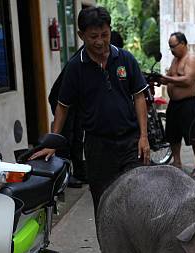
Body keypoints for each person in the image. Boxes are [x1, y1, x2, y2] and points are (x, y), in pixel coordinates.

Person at [31, 7, 150, 212]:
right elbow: (62, 106)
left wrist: (144, 136)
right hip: (98, 147)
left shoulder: (125, 59)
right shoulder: (75, 67)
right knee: (104, 204)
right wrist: (54, 142)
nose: (100, 41)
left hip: (130, 142)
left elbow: (139, 97)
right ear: (81, 35)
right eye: (93, 36)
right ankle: (108, 244)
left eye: (105, 34)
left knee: (138, 198)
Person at [161, 32, 195, 178]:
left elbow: (188, 80)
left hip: (188, 103)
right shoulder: (175, 60)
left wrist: (167, 78)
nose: (172, 49)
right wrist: (160, 79)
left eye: (173, 46)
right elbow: (170, 77)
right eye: (170, 47)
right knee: (173, 135)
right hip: (174, 104)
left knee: (194, 135)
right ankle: (177, 162)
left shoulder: (191, 59)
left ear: (183, 44)